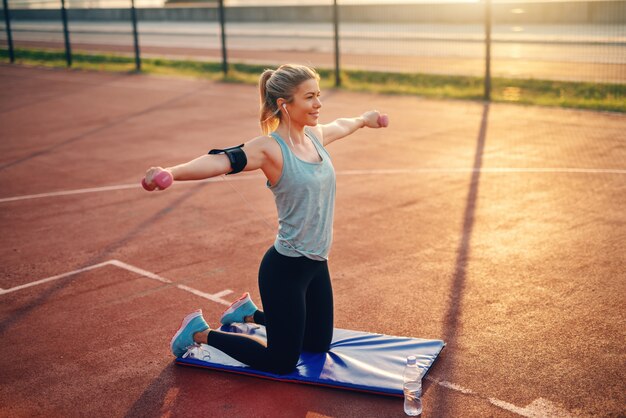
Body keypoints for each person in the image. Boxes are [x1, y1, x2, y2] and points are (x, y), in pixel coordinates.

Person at [144, 64, 388, 375]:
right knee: (282, 361)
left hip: (317, 263)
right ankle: (199, 333)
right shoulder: (269, 149)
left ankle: (248, 315)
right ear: (285, 104)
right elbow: (221, 160)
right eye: (310, 97)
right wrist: (170, 173)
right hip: (285, 269)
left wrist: (365, 120)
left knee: (316, 344)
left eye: (318, 95)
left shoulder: (315, 136)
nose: (318, 104)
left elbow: (343, 123)